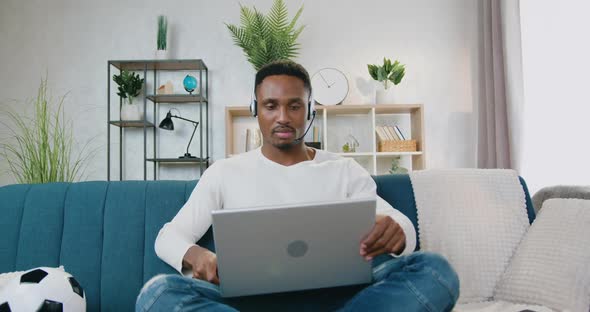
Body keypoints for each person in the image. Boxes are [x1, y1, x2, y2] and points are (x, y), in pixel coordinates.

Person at [136, 60, 459, 312]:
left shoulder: (344, 169)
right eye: (271, 105)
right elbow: (169, 237)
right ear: (255, 111)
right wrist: (196, 254)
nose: (283, 117)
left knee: (435, 270)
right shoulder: (225, 172)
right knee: (158, 293)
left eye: (294, 105)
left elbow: (398, 224)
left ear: (310, 111)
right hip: (246, 303)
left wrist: (399, 231)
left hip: (345, 299)